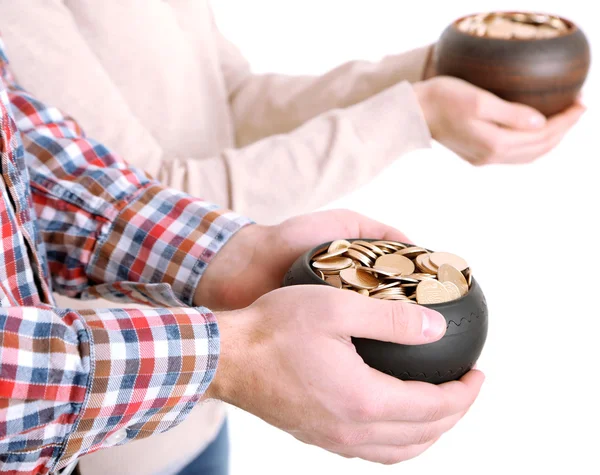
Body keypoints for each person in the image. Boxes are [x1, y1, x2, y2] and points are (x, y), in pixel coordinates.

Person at [0, 2, 585, 474]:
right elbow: (167, 176)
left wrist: (427, 76)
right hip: (116, 433)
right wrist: (413, 115)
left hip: (200, 400)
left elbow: (230, 102)